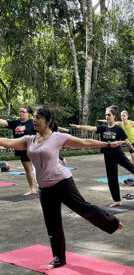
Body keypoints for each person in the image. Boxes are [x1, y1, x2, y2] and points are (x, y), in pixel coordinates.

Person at [0, 105, 123, 269]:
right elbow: (8, 143)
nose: (34, 120)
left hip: (62, 182)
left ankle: (113, 222)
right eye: (34, 117)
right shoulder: (29, 140)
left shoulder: (57, 137)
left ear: (48, 120)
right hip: (44, 187)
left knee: (83, 208)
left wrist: (108, 144)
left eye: (38, 117)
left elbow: (84, 142)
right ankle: (59, 258)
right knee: (52, 223)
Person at [71, 105, 134, 207]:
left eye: (109, 115)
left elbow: (127, 142)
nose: (107, 116)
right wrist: (79, 126)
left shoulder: (118, 129)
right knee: (112, 178)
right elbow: (91, 128)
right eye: (106, 115)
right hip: (108, 155)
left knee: (131, 167)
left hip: (118, 154)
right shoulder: (103, 128)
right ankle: (117, 200)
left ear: (114, 116)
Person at [0, 106, 37, 195]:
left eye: (23, 112)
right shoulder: (15, 123)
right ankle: (32, 189)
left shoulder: (33, 122)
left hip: (34, 149)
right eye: (19, 111)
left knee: (42, 168)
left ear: (28, 114)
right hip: (21, 150)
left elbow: (46, 128)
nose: (20, 113)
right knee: (28, 170)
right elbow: (2, 122)